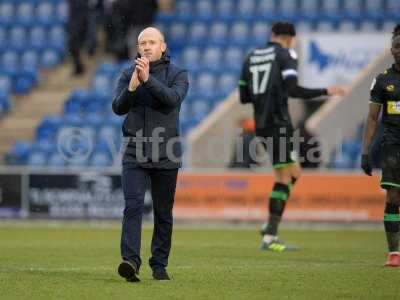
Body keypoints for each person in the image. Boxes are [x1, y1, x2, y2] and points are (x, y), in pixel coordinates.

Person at [239, 22, 345, 251]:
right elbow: (293, 90)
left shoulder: (251, 56)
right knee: (282, 176)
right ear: (291, 38)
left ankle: (270, 223)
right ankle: (269, 238)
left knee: (294, 171)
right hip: (279, 123)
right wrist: (326, 91)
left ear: (272, 35)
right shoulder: (286, 54)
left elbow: (243, 96)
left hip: (261, 123)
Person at [112, 27, 189, 281]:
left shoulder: (178, 74)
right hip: (135, 149)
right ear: (137, 48)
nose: (146, 46)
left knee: (163, 213)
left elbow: (172, 99)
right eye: (142, 43)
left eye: (152, 42)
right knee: (132, 207)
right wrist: (132, 88)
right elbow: (117, 108)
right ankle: (130, 262)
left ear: (163, 46)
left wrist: (147, 81)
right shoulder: (127, 74)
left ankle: (159, 265)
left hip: (166, 150)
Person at [361, 24, 400, 267]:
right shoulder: (383, 81)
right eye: (396, 46)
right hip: (393, 144)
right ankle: (394, 253)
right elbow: (373, 118)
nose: (399, 50)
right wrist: (365, 152)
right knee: (394, 195)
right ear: (391, 49)